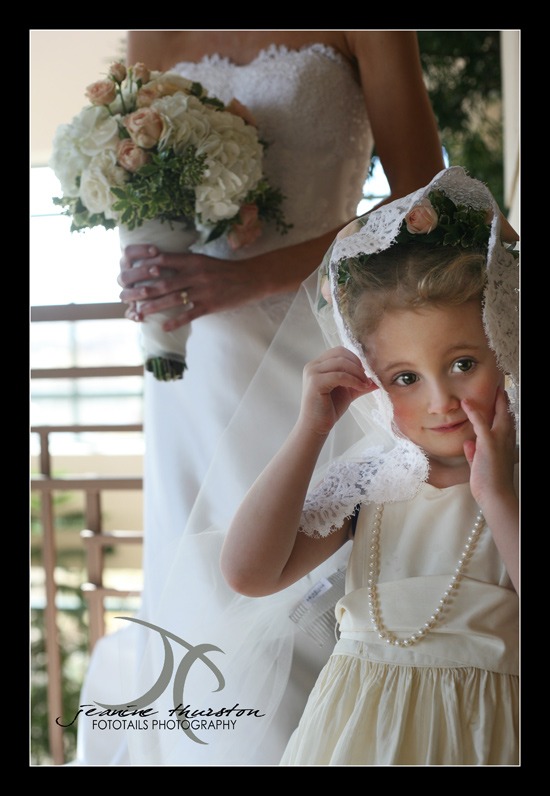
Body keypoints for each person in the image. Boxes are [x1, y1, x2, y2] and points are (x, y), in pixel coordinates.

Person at [75, 30, 446, 766]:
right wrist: (148, 262)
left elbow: (422, 203)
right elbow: (132, 171)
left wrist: (255, 276)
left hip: (322, 348)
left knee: (317, 576)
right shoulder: (153, 32)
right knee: (202, 579)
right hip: (198, 367)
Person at [221, 166, 519, 765]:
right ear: (372, 379)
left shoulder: (512, 484)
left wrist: (497, 497)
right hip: (356, 734)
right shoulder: (375, 483)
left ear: (507, 345)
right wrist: (310, 431)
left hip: (484, 733)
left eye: (463, 364)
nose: (440, 400)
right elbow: (248, 572)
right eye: (405, 378)